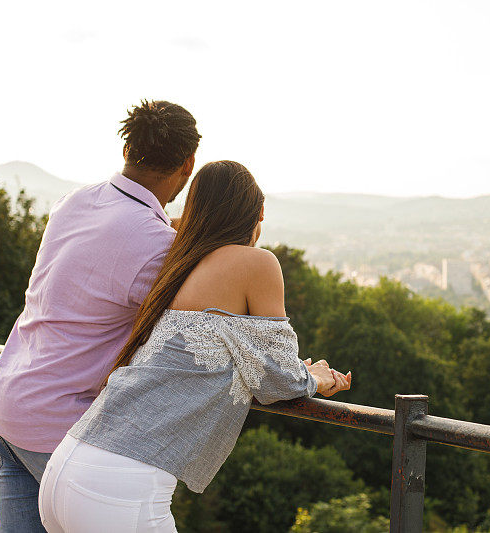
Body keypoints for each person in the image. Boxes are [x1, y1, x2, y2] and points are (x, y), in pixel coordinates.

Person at [37, 160, 351, 532]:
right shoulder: (257, 263)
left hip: (69, 462)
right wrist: (313, 377)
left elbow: (249, 356)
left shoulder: (182, 265)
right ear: (259, 212)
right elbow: (279, 379)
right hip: (122, 485)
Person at [0, 100, 201, 532]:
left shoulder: (73, 202)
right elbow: (196, 328)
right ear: (188, 163)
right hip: (57, 428)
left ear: (126, 149)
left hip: (3, 407)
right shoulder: (156, 244)